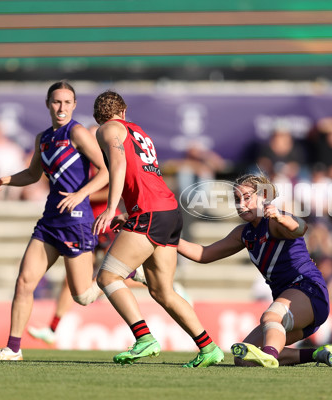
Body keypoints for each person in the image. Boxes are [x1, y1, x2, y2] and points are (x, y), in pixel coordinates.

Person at [91, 90, 223, 367]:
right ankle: (209, 347)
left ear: (98, 117)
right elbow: (143, 175)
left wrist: (111, 207)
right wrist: (129, 212)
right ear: (124, 111)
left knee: (107, 278)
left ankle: (144, 339)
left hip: (150, 212)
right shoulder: (136, 130)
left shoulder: (107, 129)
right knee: (163, 291)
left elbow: (118, 164)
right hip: (168, 210)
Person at [0, 81, 109, 361]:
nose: (61, 107)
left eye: (67, 102)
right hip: (50, 221)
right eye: (56, 102)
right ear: (48, 104)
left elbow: (107, 171)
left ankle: (126, 272)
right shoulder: (43, 138)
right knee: (25, 281)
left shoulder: (77, 132)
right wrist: (6, 180)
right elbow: (32, 174)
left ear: (74, 106)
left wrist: (81, 193)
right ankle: (12, 349)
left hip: (76, 221)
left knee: (83, 296)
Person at [177, 173, 332, 368]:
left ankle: (270, 358)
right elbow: (204, 254)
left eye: (247, 197)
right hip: (290, 305)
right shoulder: (244, 233)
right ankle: (316, 354)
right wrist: (167, 238)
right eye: (237, 199)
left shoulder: (274, 220)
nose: (241, 204)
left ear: (263, 197)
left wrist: (279, 216)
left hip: (309, 291)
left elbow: (300, 228)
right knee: (244, 357)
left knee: (270, 317)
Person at [27, 125, 144, 345]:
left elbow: (112, 190)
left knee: (110, 276)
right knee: (73, 282)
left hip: (105, 224)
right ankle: (53, 328)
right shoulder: (84, 162)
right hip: (88, 224)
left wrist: (81, 196)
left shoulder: (108, 162)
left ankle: (160, 287)